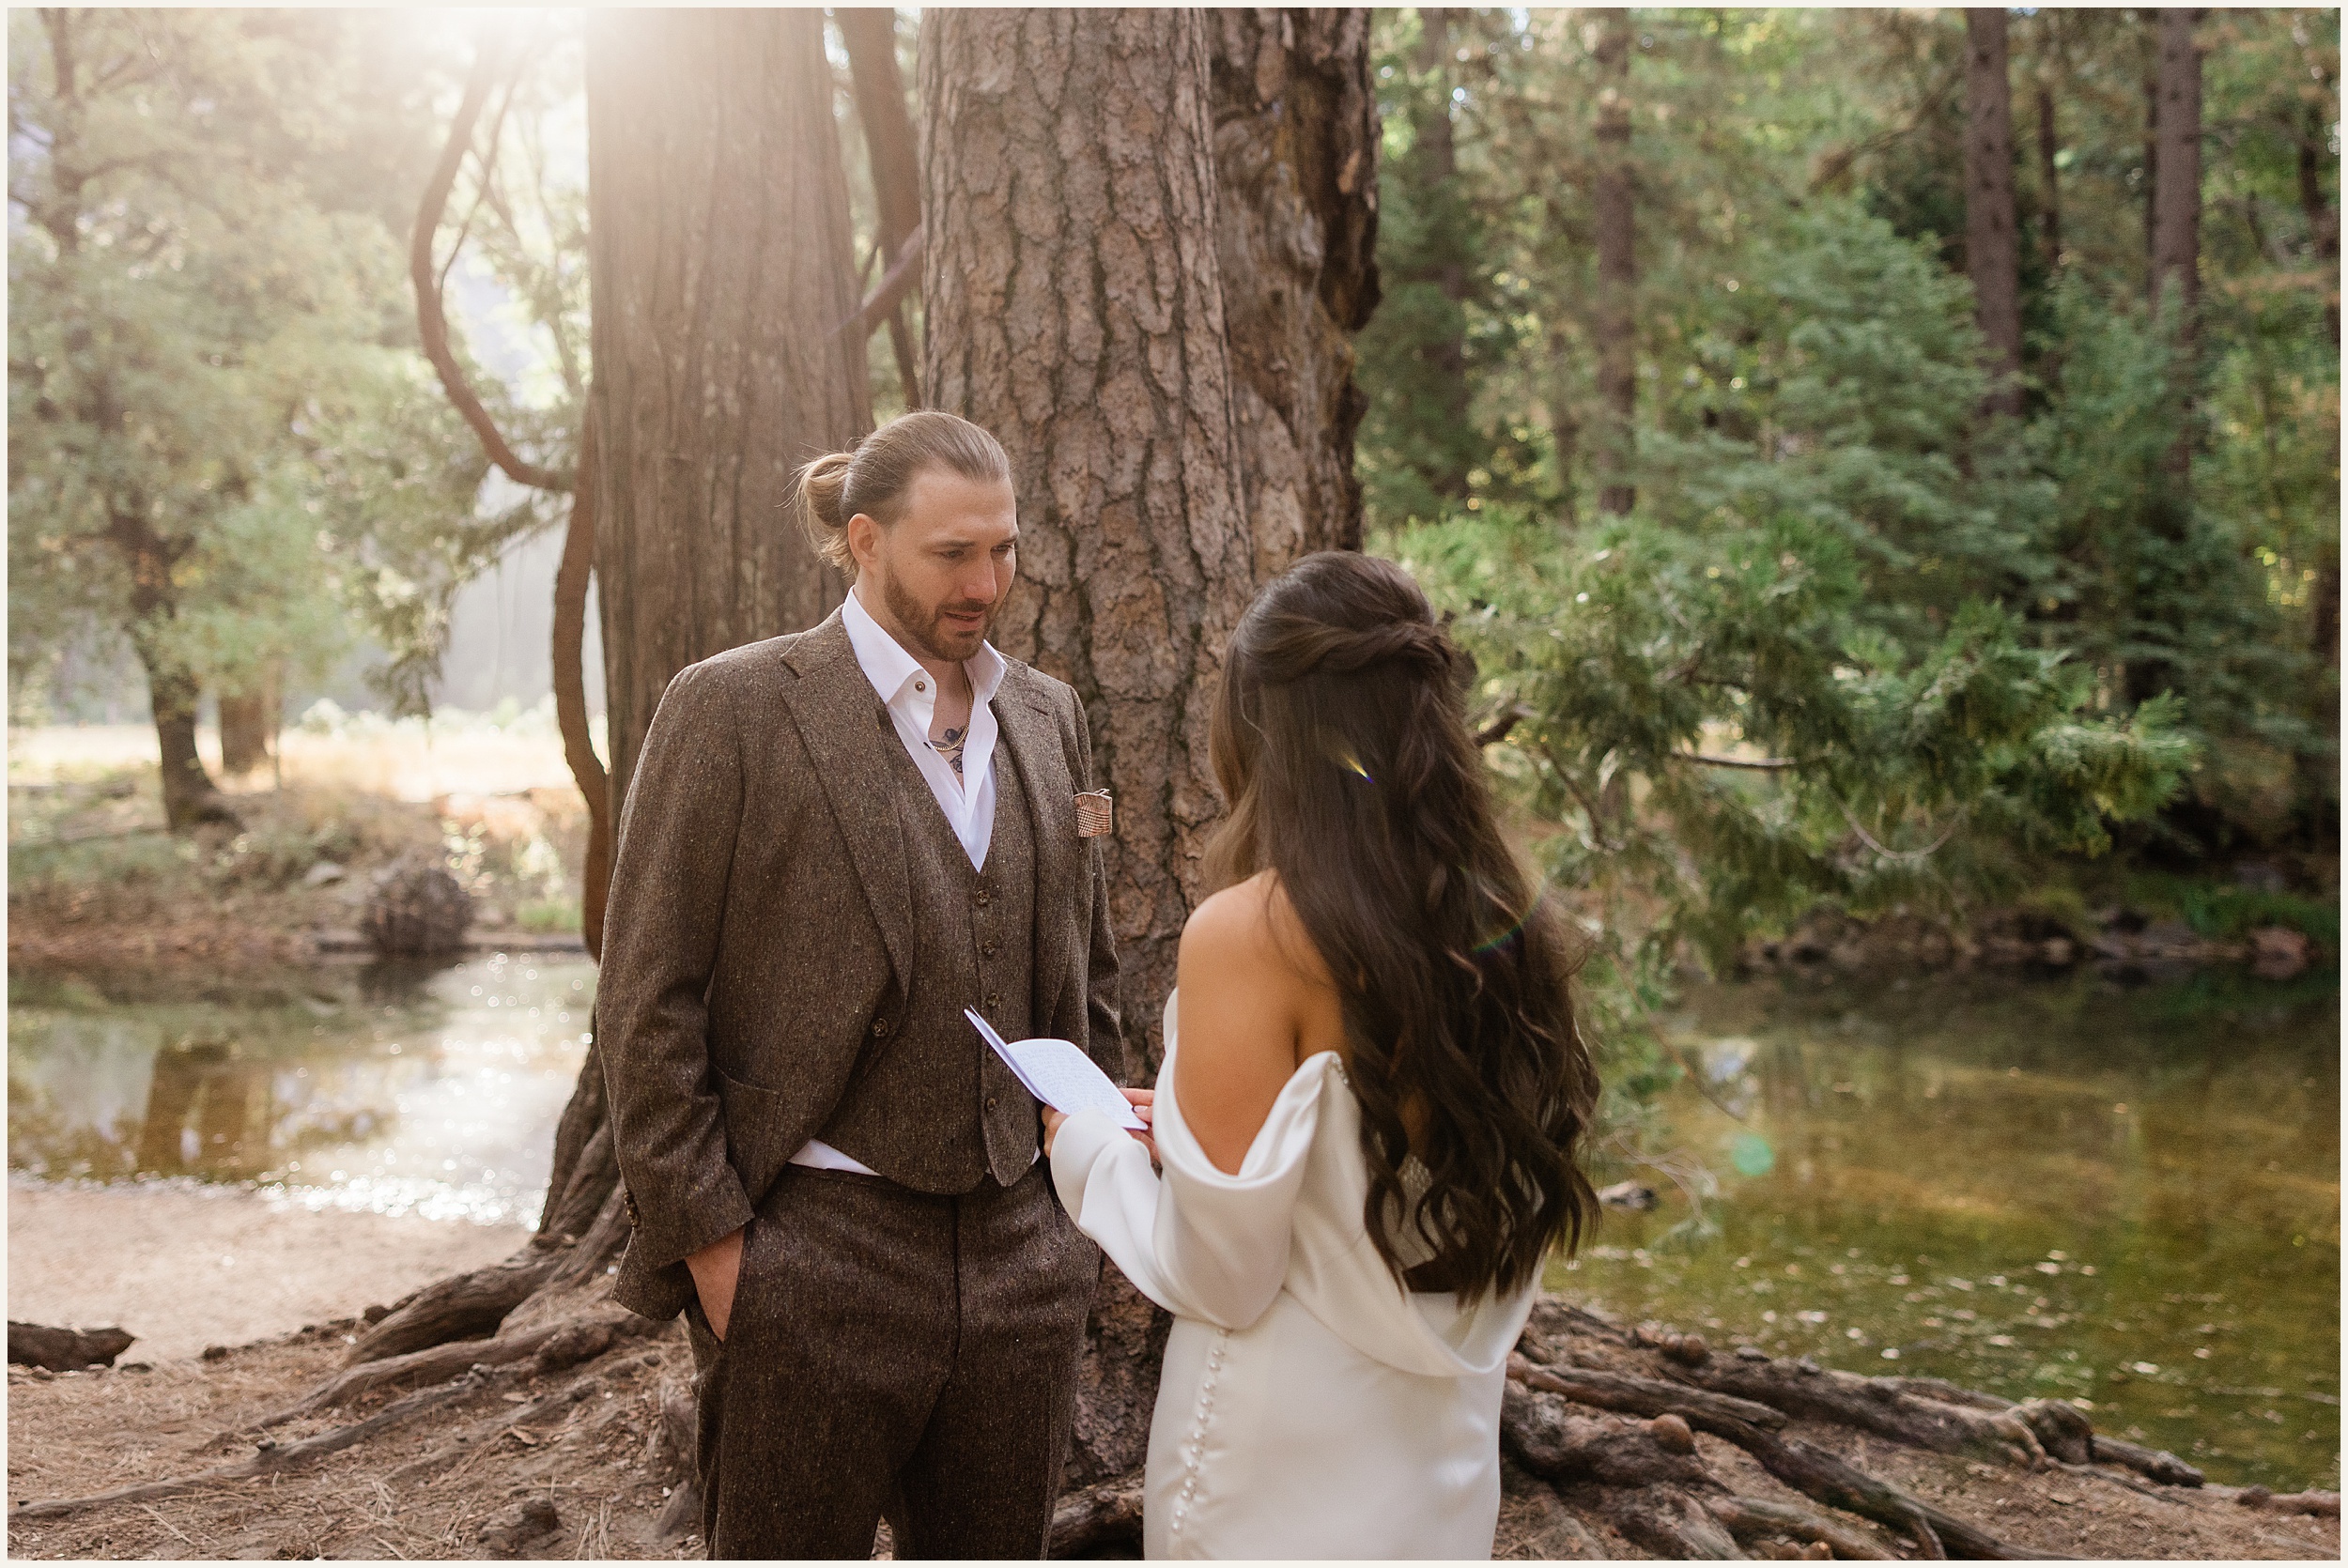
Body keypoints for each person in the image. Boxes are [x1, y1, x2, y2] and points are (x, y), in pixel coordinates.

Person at [597, 410, 1125, 1558]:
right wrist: (720, 1253)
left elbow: (1088, 968)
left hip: (1021, 1256)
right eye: (953, 554)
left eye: (1005, 549)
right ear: (866, 539)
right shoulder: (733, 706)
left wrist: (1075, 1214)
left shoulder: (1046, 714)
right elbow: (646, 997)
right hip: (808, 1252)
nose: (986, 581)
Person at [1045, 550, 1601, 1560]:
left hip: (1273, 1453)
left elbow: (1222, 1275)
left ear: (1264, 726)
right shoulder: (1510, 925)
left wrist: (1089, 1145)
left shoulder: (1252, 932)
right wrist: (1184, 1128)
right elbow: (1376, 1175)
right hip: (1443, 1444)